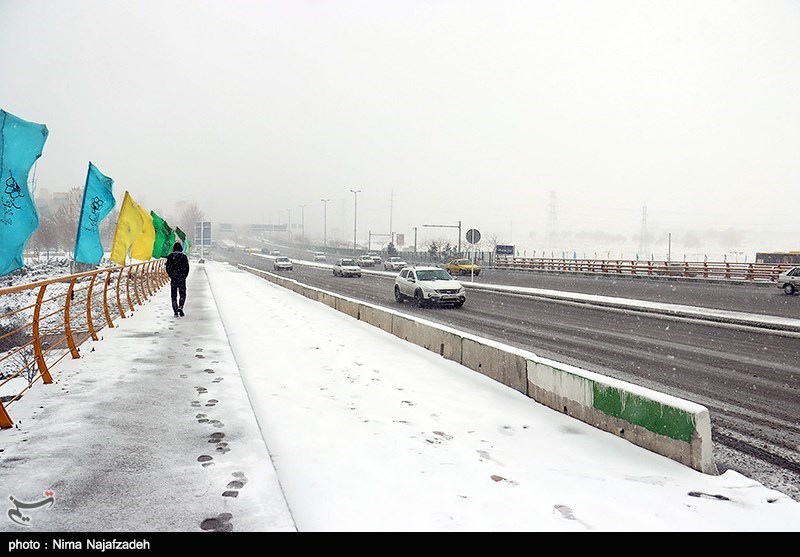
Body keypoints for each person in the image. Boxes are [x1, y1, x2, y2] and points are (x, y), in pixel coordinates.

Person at [165, 241, 190, 317]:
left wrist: (171, 275)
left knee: (174, 294)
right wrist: (184, 276)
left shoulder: (170, 256)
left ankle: (175, 310)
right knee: (182, 294)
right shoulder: (184, 257)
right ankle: (181, 306)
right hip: (182, 278)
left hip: (174, 278)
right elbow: (187, 268)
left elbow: (168, 268)